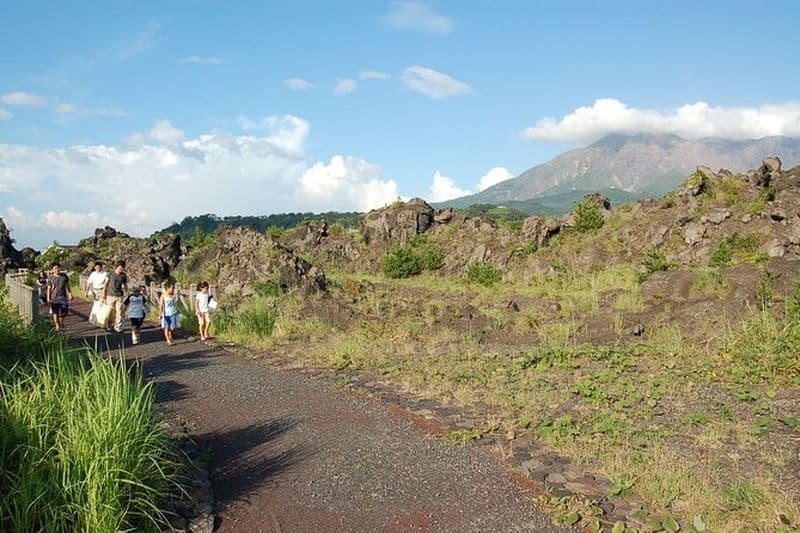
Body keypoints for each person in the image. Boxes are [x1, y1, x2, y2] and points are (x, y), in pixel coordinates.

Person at [46, 262, 72, 332]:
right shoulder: (51, 278)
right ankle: (57, 326)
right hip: (54, 298)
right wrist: (48, 298)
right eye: (55, 268)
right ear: (52, 270)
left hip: (63, 297)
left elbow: (67, 286)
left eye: (58, 268)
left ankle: (61, 319)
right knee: (55, 312)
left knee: (65, 312)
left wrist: (70, 294)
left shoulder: (64, 276)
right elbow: (49, 288)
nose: (57, 269)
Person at [104, 260, 128, 332]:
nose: (121, 269)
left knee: (119, 311)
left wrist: (126, 293)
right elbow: (106, 284)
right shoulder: (110, 274)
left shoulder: (123, 275)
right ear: (117, 267)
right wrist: (104, 294)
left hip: (119, 296)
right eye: (120, 268)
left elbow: (125, 285)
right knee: (110, 311)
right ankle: (109, 325)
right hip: (110, 295)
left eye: (122, 268)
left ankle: (118, 326)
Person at [159, 281, 180, 346]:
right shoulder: (163, 296)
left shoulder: (173, 295)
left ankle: (170, 335)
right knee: (166, 327)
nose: (173, 289)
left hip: (173, 312)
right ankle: (168, 340)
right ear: (167, 288)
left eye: (173, 288)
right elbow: (161, 305)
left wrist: (178, 310)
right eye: (172, 288)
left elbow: (175, 303)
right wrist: (160, 313)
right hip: (166, 314)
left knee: (172, 327)